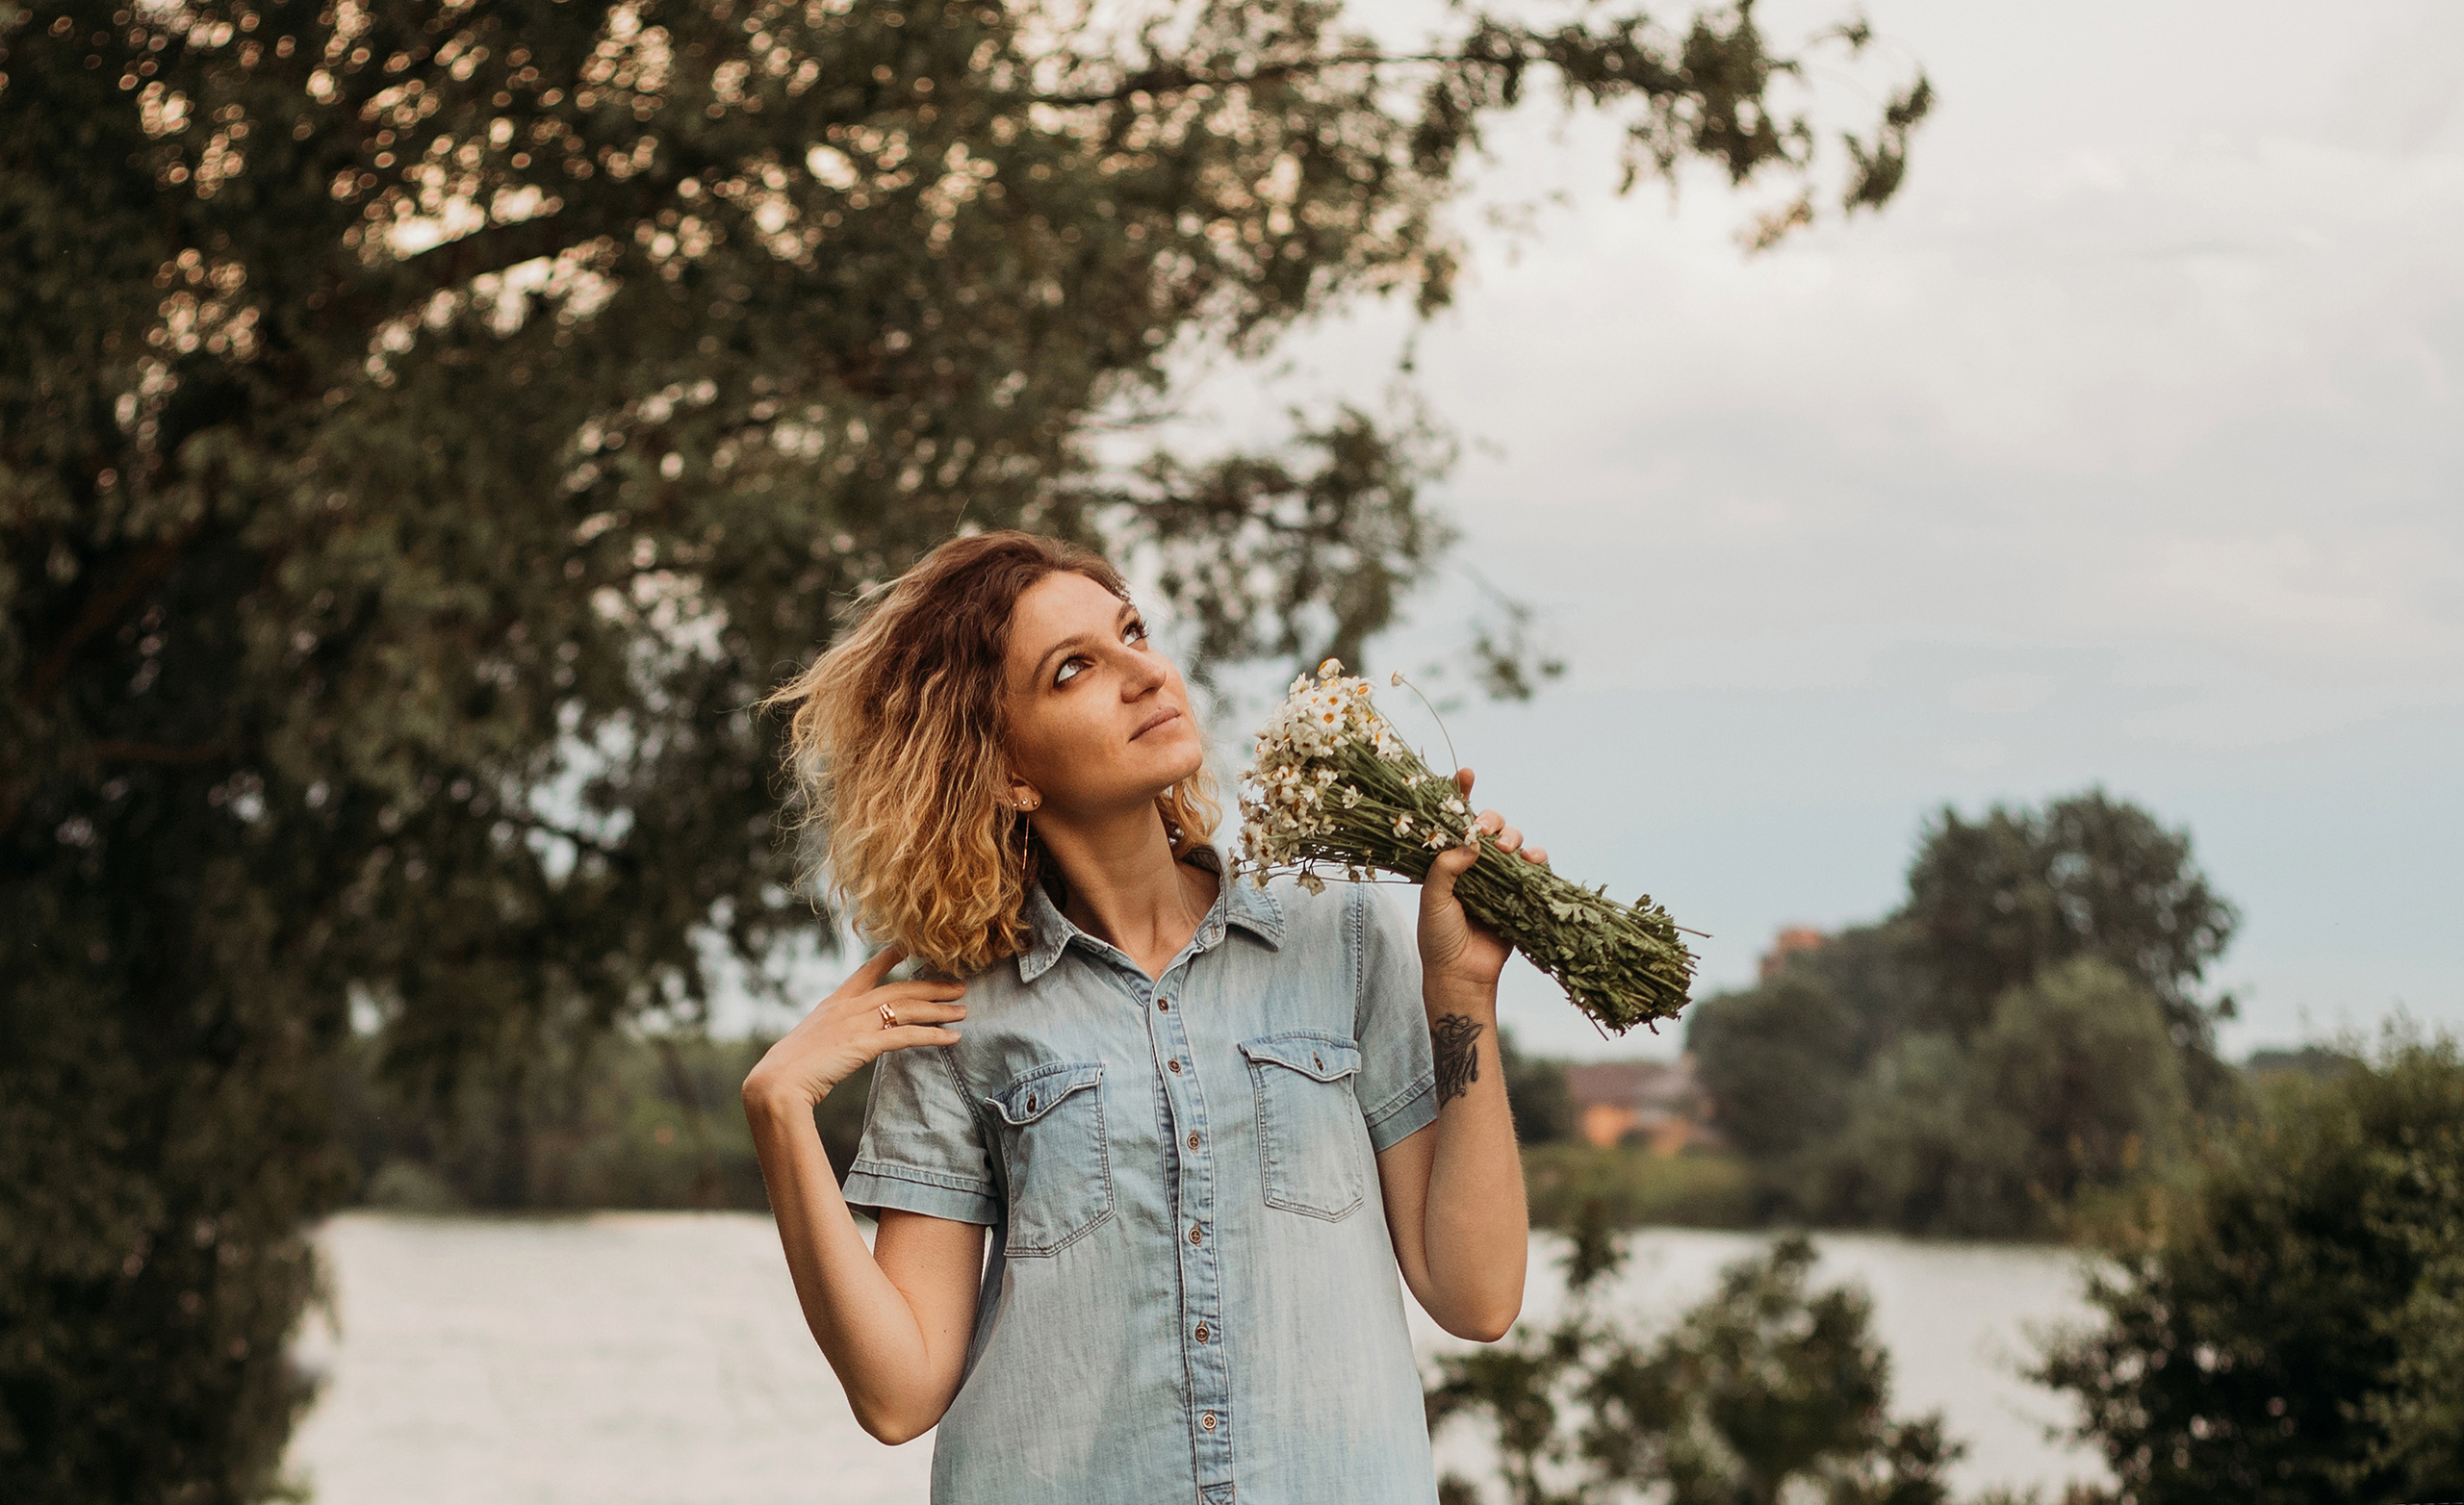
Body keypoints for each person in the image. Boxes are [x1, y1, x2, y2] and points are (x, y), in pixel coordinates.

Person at [743, 531, 1537, 1504]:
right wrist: (779, 1111)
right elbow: (899, 1394)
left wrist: (1463, 996)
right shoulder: (953, 1011)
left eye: (1132, 633)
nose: (1142, 673)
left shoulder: (1342, 938)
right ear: (1006, 771)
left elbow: (1478, 1294)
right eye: (1074, 669)